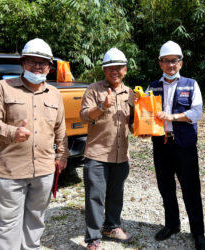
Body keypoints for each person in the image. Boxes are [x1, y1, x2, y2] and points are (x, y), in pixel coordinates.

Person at [0, 38, 69, 250]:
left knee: (36, 218)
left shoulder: (55, 94)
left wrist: (63, 155)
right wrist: (12, 132)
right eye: (32, 61)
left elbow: (61, 128)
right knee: (7, 223)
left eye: (43, 62)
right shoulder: (3, 87)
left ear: (50, 67)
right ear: (22, 63)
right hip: (11, 170)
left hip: (45, 170)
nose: (38, 66)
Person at [138, 41, 205, 250]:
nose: (170, 65)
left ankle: (199, 233)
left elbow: (197, 113)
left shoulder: (191, 84)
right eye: (166, 61)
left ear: (181, 63)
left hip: (184, 145)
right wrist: (143, 128)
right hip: (161, 144)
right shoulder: (152, 86)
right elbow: (145, 115)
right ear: (160, 64)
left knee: (191, 189)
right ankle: (172, 224)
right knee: (165, 187)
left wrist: (172, 116)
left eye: (174, 61)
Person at [80, 48, 134, 250]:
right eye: (110, 67)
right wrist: (102, 106)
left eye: (119, 67)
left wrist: (142, 125)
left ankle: (111, 226)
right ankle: (93, 239)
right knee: (95, 196)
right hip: (97, 153)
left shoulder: (130, 93)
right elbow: (84, 116)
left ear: (125, 70)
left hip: (121, 155)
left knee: (116, 194)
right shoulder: (94, 90)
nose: (115, 71)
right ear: (104, 70)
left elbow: (133, 125)